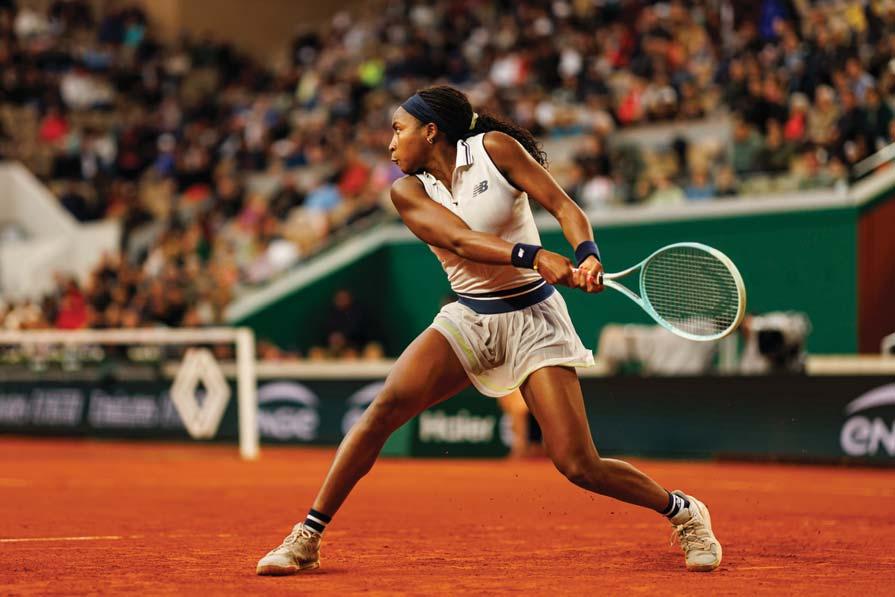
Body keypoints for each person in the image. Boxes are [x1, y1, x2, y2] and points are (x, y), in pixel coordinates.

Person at [256, 85, 722, 575]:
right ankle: (306, 537)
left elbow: (565, 207)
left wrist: (587, 255)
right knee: (382, 410)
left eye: (398, 130)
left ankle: (684, 512)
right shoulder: (407, 191)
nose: (390, 144)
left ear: (430, 131)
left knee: (578, 465)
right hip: (470, 318)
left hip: (535, 320)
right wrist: (534, 256)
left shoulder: (495, 150)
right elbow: (460, 240)